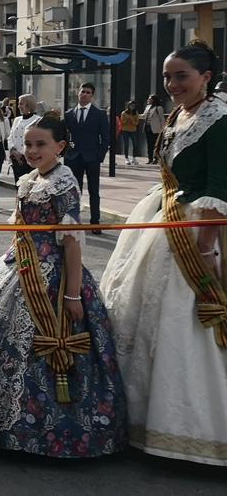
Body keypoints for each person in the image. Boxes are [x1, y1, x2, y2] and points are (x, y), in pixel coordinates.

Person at [0, 113, 127, 458]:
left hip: (53, 276)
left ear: (60, 147)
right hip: (19, 265)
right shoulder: (29, 179)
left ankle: (51, 431)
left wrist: (72, 293)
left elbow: (73, 243)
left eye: (41, 145)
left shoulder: (64, 183)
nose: (32, 151)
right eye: (29, 144)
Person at [100, 43, 227, 466]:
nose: (172, 85)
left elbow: (217, 188)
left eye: (182, 77)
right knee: (143, 317)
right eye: (168, 77)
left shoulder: (219, 119)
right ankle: (140, 420)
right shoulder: (177, 115)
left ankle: (192, 430)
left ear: (206, 77)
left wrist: (207, 250)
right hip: (162, 217)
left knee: (187, 326)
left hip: (196, 231)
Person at [64, 82, 111, 232]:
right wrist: (68, 150)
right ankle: (74, 221)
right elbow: (65, 137)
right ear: (78, 93)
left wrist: (99, 156)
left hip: (92, 158)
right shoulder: (69, 114)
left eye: (88, 92)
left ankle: (95, 222)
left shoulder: (99, 114)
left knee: (93, 191)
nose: (84, 94)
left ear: (92, 96)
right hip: (73, 157)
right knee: (74, 191)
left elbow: (105, 138)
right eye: (82, 91)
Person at [7, 94, 41, 182]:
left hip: (31, 159)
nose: (18, 106)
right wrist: (13, 150)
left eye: (21, 104)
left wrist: (24, 154)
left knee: (30, 186)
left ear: (28, 104)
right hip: (16, 159)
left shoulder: (38, 120)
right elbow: (10, 137)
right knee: (19, 187)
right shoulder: (17, 120)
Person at [141, 94, 165, 164]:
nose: (148, 100)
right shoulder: (147, 107)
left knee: (155, 144)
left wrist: (163, 129)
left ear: (153, 100)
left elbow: (162, 119)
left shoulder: (159, 108)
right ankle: (150, 158)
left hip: (155, 129)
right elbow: (144, 116)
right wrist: (136, 115)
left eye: (150, 99)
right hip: (147, 128)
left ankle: (156, 158)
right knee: (149, 144)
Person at [118, 101, 142, 165]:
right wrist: (127, 120)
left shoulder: (136, 112)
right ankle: (126, 158)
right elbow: (122, 122)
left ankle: (134, 158)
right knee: (126, 144)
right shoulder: (124, 113)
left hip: (133, 130)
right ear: (128, 106)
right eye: (131, 105)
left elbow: (137, 122)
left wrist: (132, 121)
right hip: (125, 130)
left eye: (133, 106)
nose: (132, 107)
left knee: (135, 144)